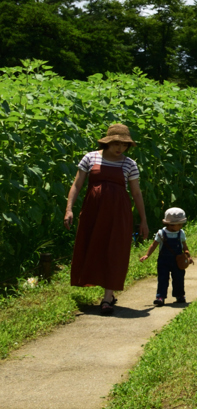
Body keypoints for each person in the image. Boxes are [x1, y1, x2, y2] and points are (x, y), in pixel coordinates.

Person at [65, 123, 149, 315]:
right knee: (92, 245)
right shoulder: (90, 157)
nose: (120, 148)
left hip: (118, 213)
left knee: (114, 249)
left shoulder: (129, 164)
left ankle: (107, 297)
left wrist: (143, 220)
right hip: (93, 211)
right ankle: (99, 287)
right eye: (116, 143)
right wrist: (69, 209)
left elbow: (136, 193)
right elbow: (77, 185)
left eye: (124, 145)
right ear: (108, 142)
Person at [139, 207, 191, 306]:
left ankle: (180, 295)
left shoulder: (181, 233)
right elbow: (153, 245)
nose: (181, 226)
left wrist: (188, 256)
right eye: (179, 224)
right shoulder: (161, 233)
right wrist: (147, 255)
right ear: (171, 224)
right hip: (163, 261)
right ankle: (160, 297)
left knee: (179, 278)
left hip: (177, 261)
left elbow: (184, 246)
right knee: (162, 279)